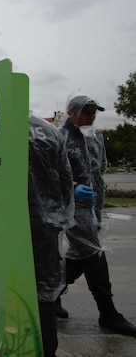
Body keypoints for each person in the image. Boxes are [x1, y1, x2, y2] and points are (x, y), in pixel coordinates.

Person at [57, 95, 136, 337]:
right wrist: (72, 187)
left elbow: (99, 169)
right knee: (93, 253)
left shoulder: (96, 135)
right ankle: (108, 313)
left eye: (94, 111)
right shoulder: (61, 137)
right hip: (73, 207)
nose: (91, 115)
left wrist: (98, 206)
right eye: (87, 111)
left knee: (80, 255)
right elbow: (52, 174)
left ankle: (49, 295)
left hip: (92, 206)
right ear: (71, 112)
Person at [27, 114, 74, 356]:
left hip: (2, 223)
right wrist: (59, 216)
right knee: (42, 291)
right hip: (46, 223)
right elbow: (65, 179)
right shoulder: (49, 130)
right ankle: (46, 348)